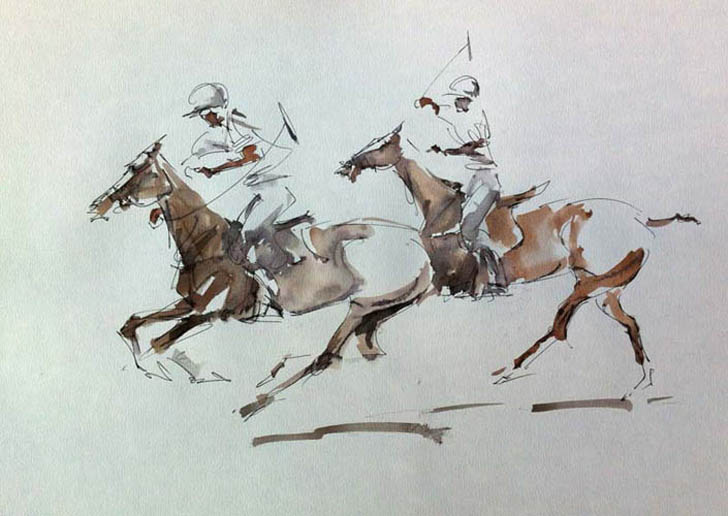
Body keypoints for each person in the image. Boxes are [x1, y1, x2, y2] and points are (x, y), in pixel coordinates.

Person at [182, 82, 306, 281]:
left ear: (210, 111)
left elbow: (250, 155)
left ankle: (281, 272)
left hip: (280, 180)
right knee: (236, 224)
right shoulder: (228, 126)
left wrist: (215, 169)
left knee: (249, 231)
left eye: (202, 115)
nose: (203, 120)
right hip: (264, 181)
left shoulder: (237, 120)